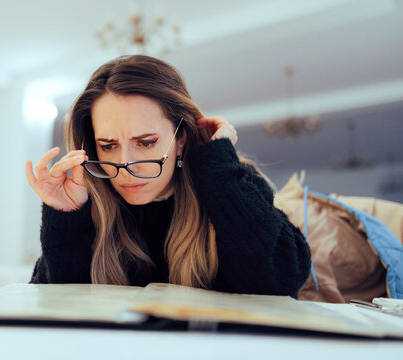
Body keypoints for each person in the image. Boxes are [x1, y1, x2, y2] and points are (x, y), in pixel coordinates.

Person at [25, 55, 311, 296]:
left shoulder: (233, 182)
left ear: (181, 138)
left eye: (146, 142)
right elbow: (57, 304)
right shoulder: (88, 201)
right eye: (108, 146)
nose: (126, 166)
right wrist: (66, 216)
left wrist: (220, 170)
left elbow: (281, 280)